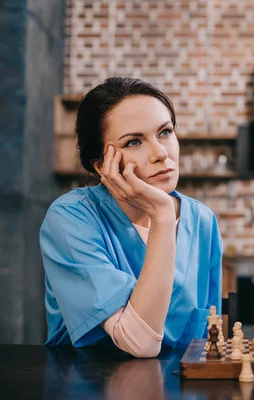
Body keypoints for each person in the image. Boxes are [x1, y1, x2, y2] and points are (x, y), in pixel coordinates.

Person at [40, 77, 223, 357]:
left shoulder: (202, 220)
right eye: (134, 142)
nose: (161, 153)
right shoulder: (70, 219)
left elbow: (209, 341)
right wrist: (161, 215)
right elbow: (140, 342)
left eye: (165, 132)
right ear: (101, 164)